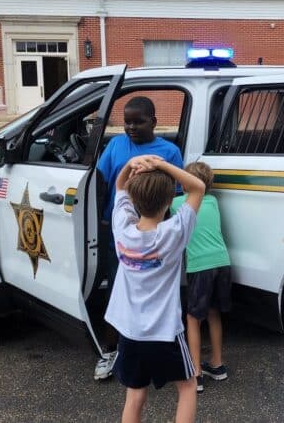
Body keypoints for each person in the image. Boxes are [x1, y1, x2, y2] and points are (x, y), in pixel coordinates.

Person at [104, 154, 204, 423]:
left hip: (129, 330)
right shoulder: (174, 232)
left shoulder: (122, 228)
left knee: (135, 396)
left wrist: (132, 162)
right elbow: (198, 187)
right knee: (187, 386)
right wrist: (161, 165)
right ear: (171, 201)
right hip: (164, 332)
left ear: (135, 201)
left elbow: (120, 185)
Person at [92, 96, 184, 380]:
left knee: (157, 296)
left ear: (154, 122)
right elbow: (101, 180)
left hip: (156, 238)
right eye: (127, 122)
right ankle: (111, 350)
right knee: (117, 292)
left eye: (138, 121)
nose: (130, 127)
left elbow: (178, 194)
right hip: (121, 233)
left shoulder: (169, 151)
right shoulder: (117, 145)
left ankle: (155, 352)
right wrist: (101, 219)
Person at [170, 162, 232, 394]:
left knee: (193, 318)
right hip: (223, 263)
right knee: (214, 313)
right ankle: (217, 364)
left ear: (187, 183)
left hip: (200, 267)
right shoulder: (213, 201)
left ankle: (195, 372)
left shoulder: (178, 203)